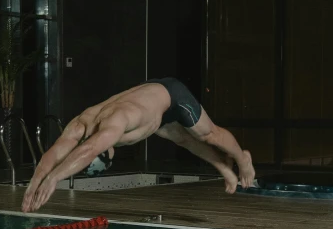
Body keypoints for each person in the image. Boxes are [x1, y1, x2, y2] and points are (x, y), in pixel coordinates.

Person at [21, 77, 255, 213]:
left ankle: (242, 159)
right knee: (183, 139)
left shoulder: (113, 122)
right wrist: (34, 184)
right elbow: (51, 155)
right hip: (153, 109)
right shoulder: (79, 126)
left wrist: (53, 179)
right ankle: (224, 168)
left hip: (172, 96)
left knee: (208, 134)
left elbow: (89, 150)